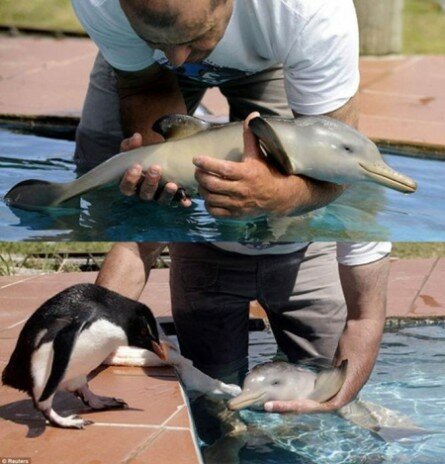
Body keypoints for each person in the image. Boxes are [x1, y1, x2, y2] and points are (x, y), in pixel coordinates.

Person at [71, 0, 391, 414]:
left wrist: (282, 195)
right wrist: (88, 340)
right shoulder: (102, 4)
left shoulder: (309, 13)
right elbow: (145, 84)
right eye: (159, 41)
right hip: (142, 76)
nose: (178, 60)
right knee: (110, 177)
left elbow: (339, 172)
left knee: (288, 167)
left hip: (270, 48)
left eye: (193, 37)